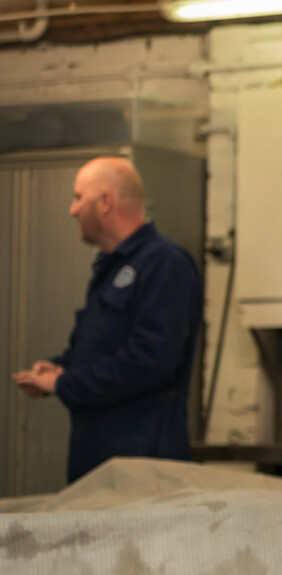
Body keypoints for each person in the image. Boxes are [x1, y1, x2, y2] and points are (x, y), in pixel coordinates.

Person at [12, 156, 202, 483]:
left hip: (140, 470)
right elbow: (97, 352)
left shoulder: (164, 265)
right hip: (98, 462)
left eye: (78, 197)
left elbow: (150, 361)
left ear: (105, 202)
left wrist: (63, 383)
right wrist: (61, 367)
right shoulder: (110, 269)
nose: (72, 210)